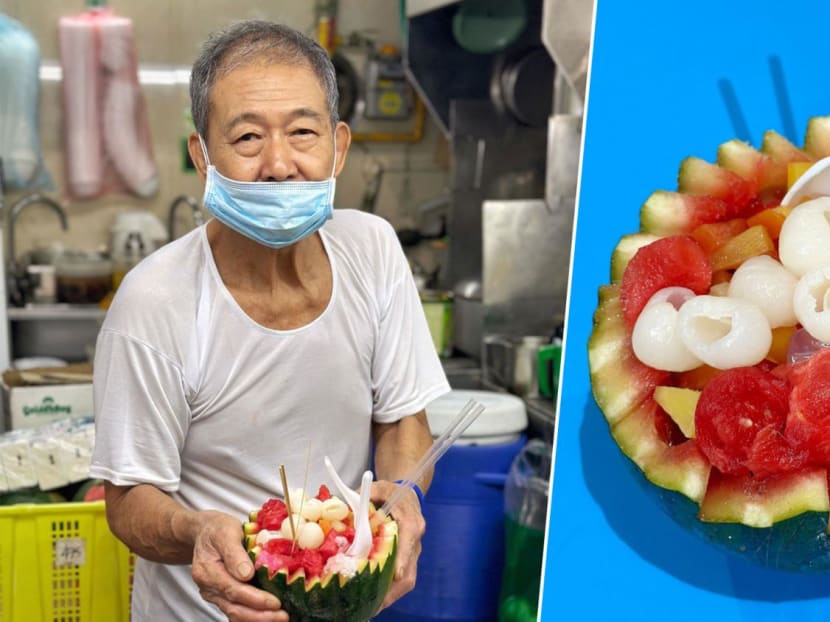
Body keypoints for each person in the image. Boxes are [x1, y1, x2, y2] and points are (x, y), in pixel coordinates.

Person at [90, 19, 450, 622]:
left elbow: (402, 418)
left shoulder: (374, 249)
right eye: (249, 138)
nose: (280, 164)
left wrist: (408, 495)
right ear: (201, 157)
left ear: (338, 146)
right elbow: (128, 501)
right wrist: (193, 531)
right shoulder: (155, 300)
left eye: (303, 132)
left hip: (337, 602)